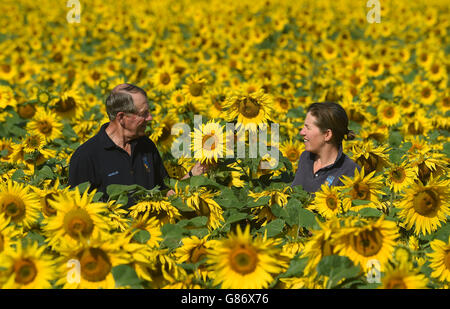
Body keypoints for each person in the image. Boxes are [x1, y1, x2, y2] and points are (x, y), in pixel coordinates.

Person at [68, 83, 205, 206]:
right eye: (143, 114)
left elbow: (164, 193)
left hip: (151, 231)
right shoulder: (86, 156)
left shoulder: (146, 146)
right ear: (121, 118)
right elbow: (79, 207)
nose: (150, 118)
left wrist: (194, 173)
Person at [291, 102, 360, 192]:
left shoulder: (350, 172)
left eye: (308, 128)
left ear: (327, 135)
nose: (301, 132)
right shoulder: (305, 158)